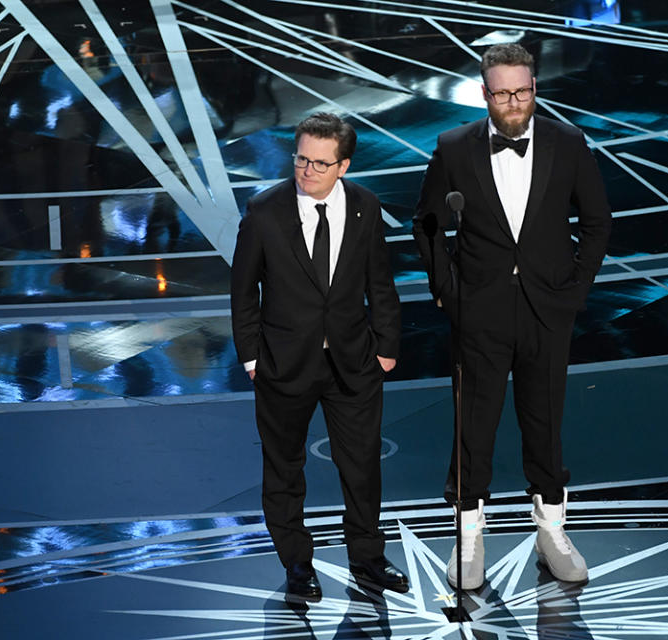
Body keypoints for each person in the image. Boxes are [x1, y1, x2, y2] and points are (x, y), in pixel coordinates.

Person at [412, 44, 612, 590]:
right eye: (502, 93)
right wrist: (450, 293)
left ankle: (552, 532)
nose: (514, 102)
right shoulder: (453, 147)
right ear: (484, 94)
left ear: (534, 88)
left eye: (522, 91)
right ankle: (469, 536)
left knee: (544, 425)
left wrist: (574, 290)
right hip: (479, 311)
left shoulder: (567, 143)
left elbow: (597, 222)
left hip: (550, 310)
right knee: (473, 427)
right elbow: (426, 225)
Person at [231, 112, 408, 599]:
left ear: (343, 165)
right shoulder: (265, 212)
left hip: (354, 361)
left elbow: (381, 283)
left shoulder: (365, 208)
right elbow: (243, 292)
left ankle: (368, 560)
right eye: (301, 159)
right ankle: (297, 565)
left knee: (362, 466)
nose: (307, 171)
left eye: (320, 163)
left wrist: (386, 349)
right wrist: (252, 358)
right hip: (283, 365)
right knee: (284, 469)